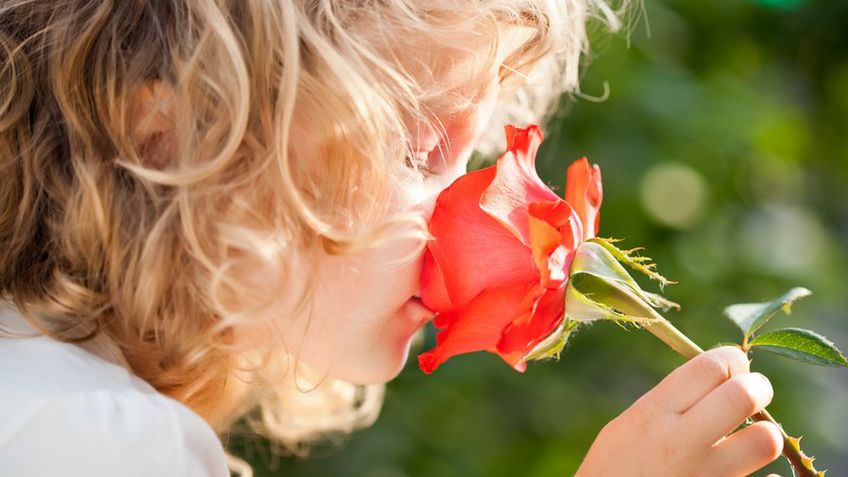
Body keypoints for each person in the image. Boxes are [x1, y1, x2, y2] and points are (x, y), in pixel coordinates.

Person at [0, 1, 783, 476]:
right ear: (169, 141)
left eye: (474, 156)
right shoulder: (97, 442)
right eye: (417, 149)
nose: (461, 214)